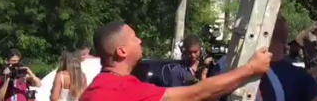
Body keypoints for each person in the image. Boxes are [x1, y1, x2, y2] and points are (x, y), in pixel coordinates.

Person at [80, 21, 271, 101]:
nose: (139, 41)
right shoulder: (122, 91)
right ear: (121, 51)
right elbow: (197, 93)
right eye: (134, 38)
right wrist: (251, 68)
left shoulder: (94, 90)